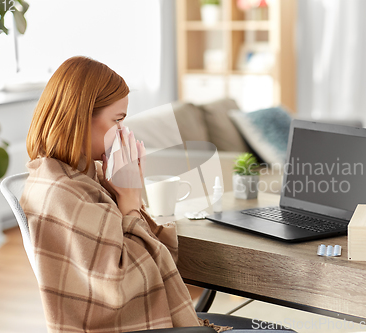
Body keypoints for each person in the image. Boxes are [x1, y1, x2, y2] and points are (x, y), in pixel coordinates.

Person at [20, 56, 225, 332]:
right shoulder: (64, 194)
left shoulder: (79, 178)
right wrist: (129, 202)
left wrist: (126, 194)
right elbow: (124, 285)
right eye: (117, 120)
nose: (122, 132)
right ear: (80, 118)